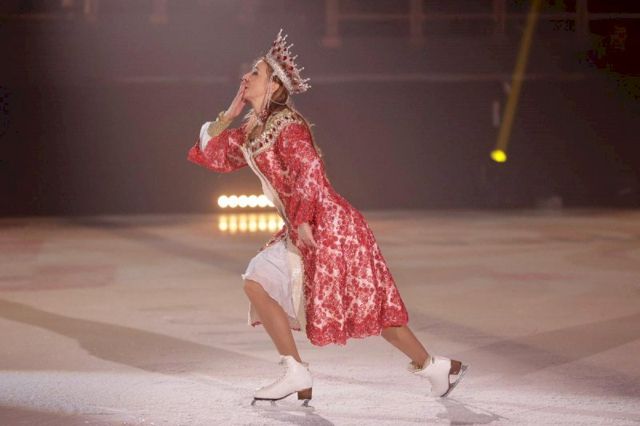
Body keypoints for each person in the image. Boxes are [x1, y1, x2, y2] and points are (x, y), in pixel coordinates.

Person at [187, 29, 468, 405]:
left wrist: (304, 219)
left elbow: (310, 170)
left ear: (274, 85)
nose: (246, 77)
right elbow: (216, 155)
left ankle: (433, 367)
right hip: (305, 227)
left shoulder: (288, 125)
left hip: (332, 227)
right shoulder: (254, 130)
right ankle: (297, 371)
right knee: (257, 281)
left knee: (369, 307)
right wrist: (231, 112)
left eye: (255, 72)